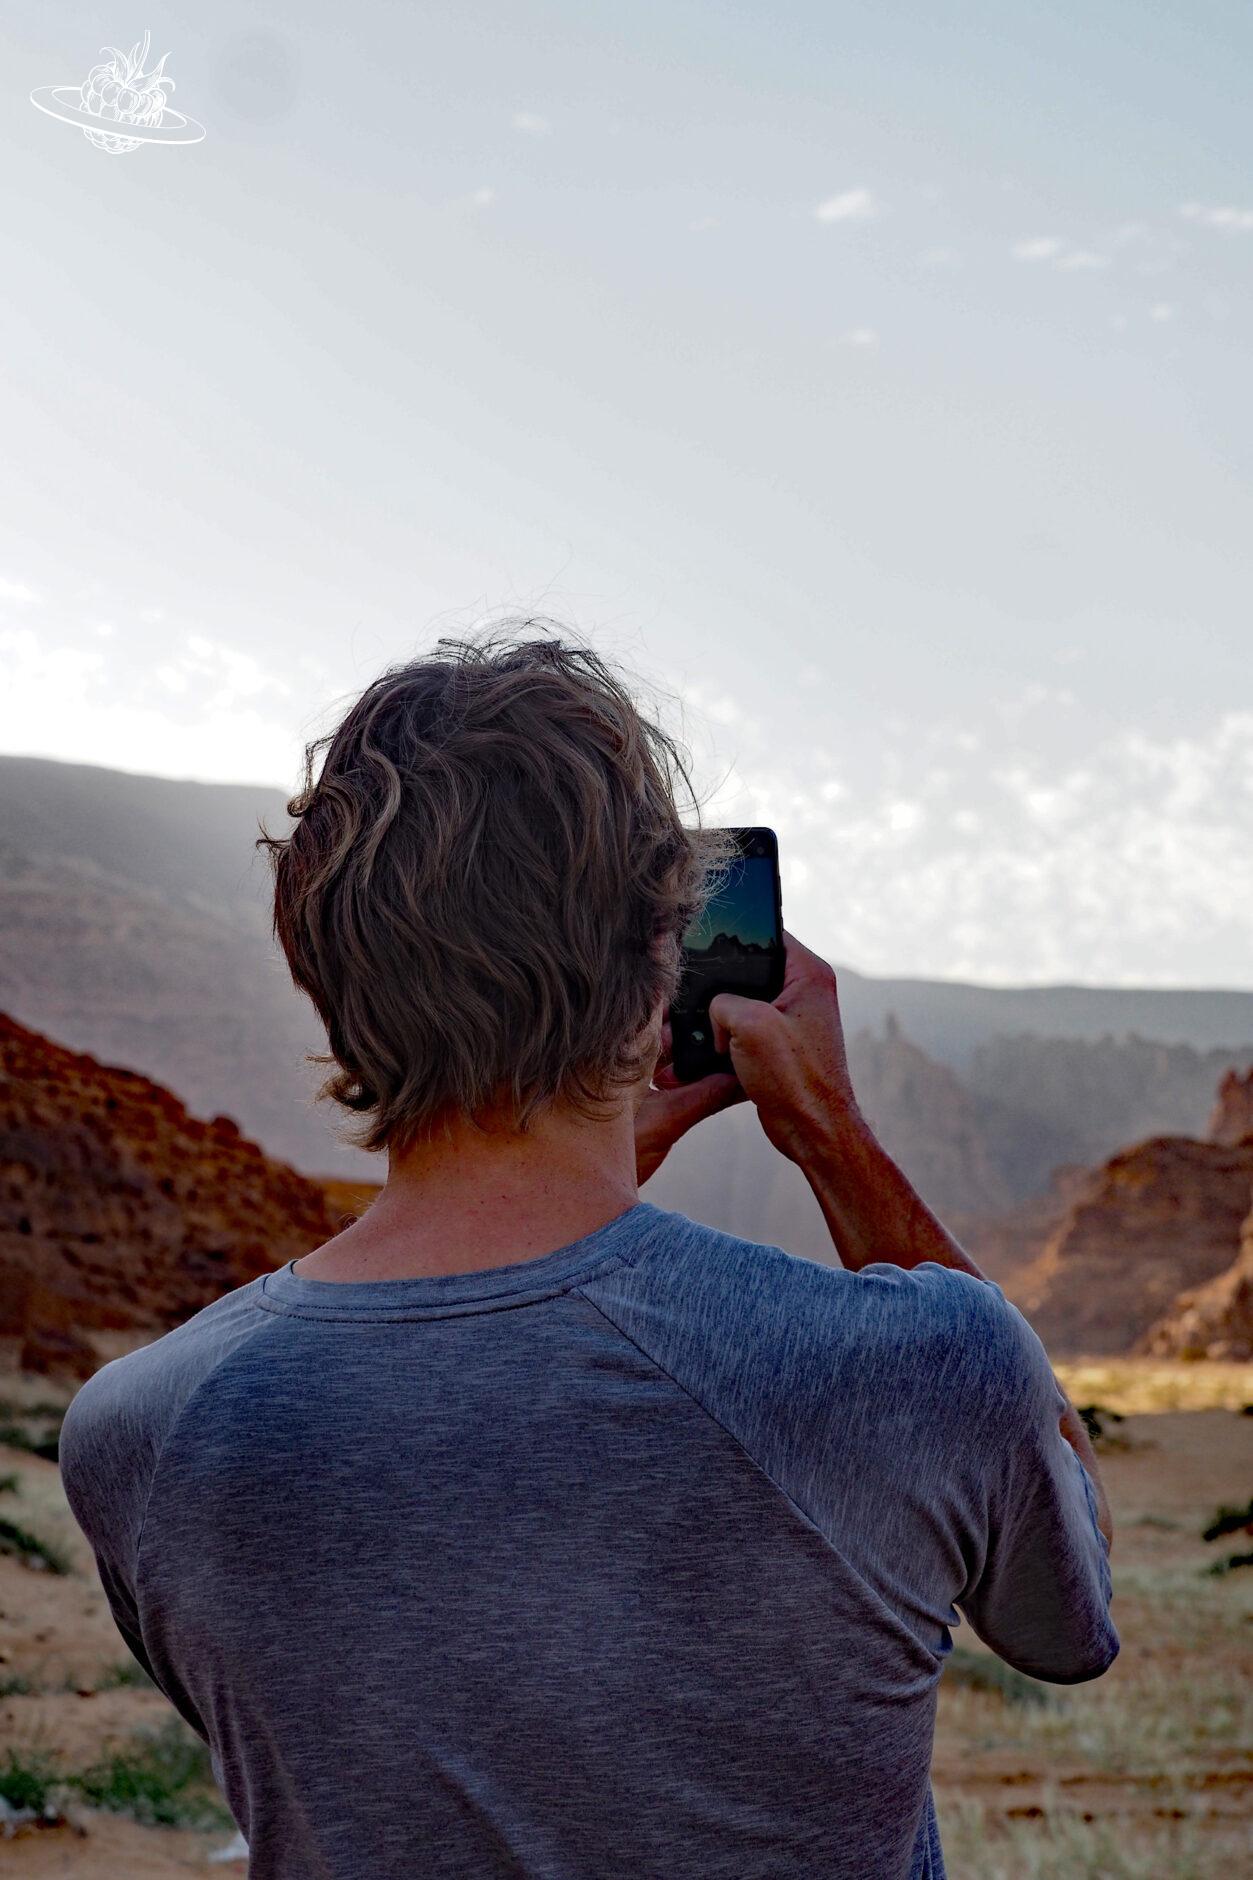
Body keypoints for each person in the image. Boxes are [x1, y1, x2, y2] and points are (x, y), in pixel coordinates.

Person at [57, 626, 1117, 1879]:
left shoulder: (138, 1434)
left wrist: (588, 1163)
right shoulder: (917, 1365)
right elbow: (1065, 1622)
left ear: (319, 969)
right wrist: (831, 1139)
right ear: (652, 966)